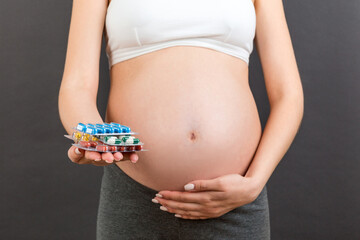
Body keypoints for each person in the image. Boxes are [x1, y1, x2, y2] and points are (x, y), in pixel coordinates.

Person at [58, 0, 304, 239]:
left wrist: (254, 183)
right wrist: (94, 138)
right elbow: (76, 86)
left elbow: (288, 95)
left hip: (234, 200)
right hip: (134, 196)